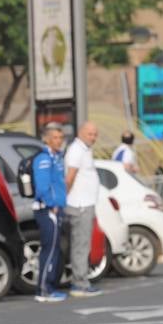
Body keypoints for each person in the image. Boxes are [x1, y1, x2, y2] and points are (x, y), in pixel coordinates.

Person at [64, 121, 102, 297]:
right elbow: (70, 177)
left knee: (83, 244)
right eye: (90, 134)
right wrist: (65, 199)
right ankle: (79, 283)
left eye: (95, 134)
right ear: (80, 132)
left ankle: (81, 281)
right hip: (79, 205)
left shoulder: (85, 149)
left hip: (86, 203)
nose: (93, 137)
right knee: (81, 245)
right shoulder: (76, 150)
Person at [31, 123, 68, 303]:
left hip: (57, 209)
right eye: (55, 138)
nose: (58, 141)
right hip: (48, 210)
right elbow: (42, 186)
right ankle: (44, 289)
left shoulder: (57, 157)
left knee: (54, 251)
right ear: (46, 139)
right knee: (49, 250)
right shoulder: (44, 159)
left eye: (60, 138)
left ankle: (49, 286)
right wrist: (51, 204)